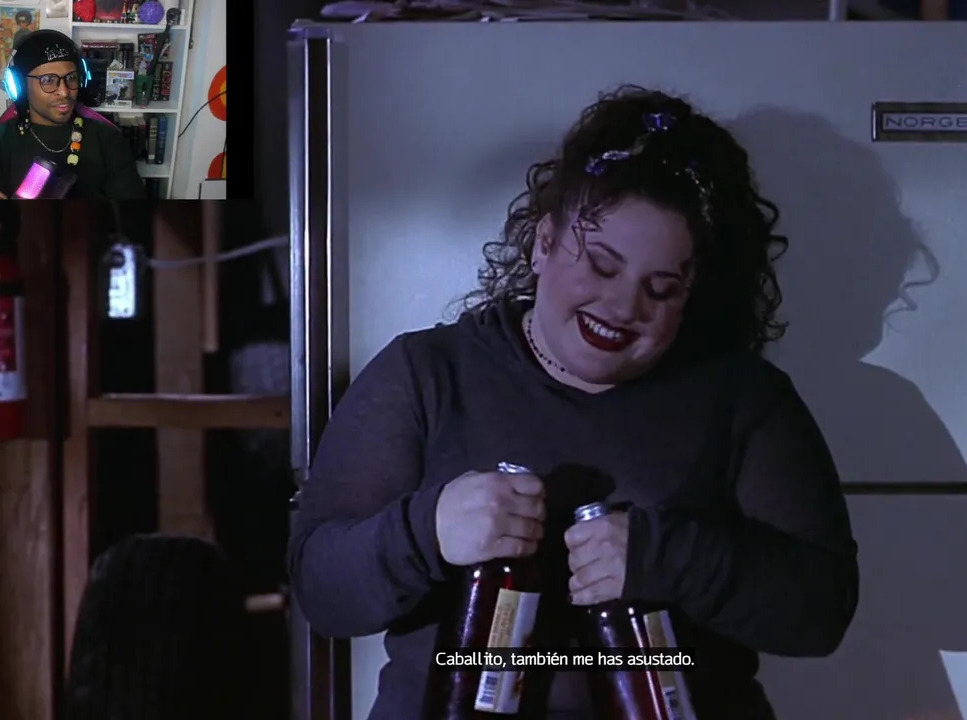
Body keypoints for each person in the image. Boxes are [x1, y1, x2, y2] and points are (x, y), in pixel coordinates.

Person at [288, 86, 859, 719]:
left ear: (694, 291)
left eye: (661, 289)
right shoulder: (426, 372)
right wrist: (428, 531)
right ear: (543, 241)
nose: (622, 307)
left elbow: (822, 611)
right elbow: (320, 589)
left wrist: (668, 558)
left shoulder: (742, 398)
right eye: (603, 267)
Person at [0, 30, 144, 200]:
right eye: (48, 80)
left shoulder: (108, 139)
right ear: (20, 86)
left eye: (71, 78)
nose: (65, 92)